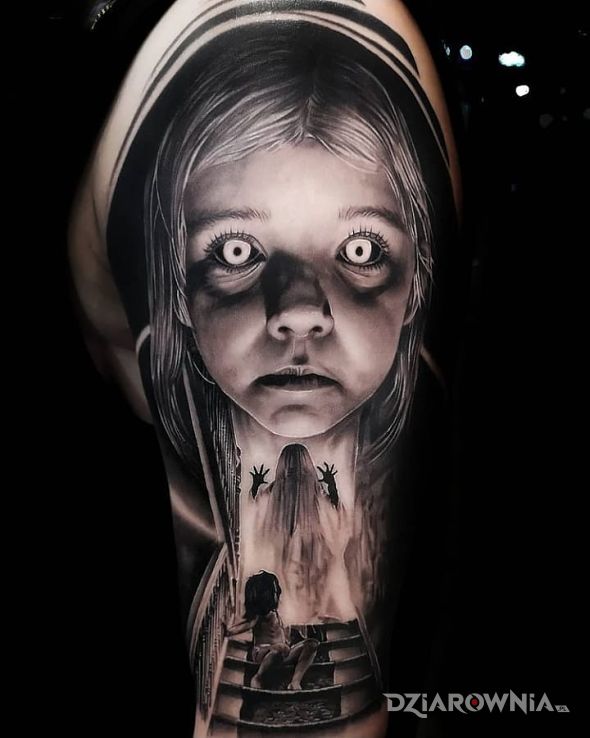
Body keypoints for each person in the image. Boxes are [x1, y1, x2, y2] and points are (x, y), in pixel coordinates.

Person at [69, 1, 461, 734]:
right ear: (178, 292)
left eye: (361, 251)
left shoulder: (286, 15)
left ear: (416, 287)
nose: (299, 312)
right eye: (238, 251)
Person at [225, 570, 319, 690]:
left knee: (312, 644)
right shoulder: (260, 615)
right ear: (265, 595)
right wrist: (230, 631)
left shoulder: (276, 614)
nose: (277, 595)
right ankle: (258, 677)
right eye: (274, 592)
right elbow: (247, 625)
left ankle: (295, 681)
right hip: (263, 653)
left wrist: (300, 630)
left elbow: (282, 631)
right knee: (278, 650)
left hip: (282, 653)